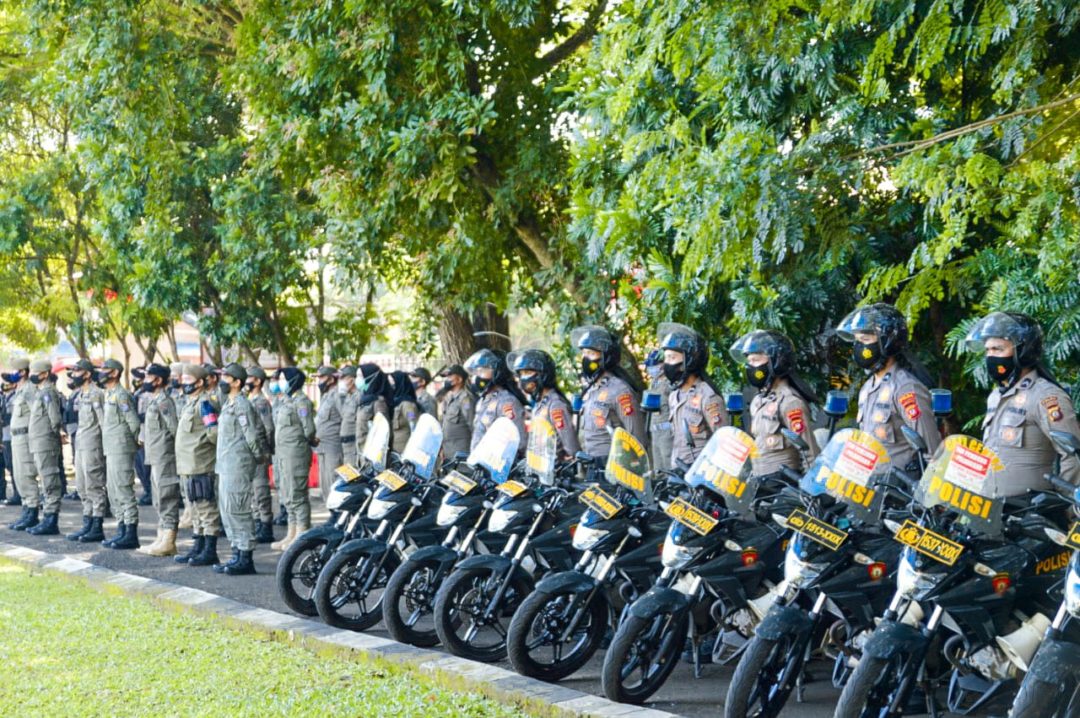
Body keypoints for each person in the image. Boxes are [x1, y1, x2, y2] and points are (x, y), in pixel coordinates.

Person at [964, 311, 1080, 493]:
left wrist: (1063, 505)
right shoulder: (995, 396)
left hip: (1030, 514)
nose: (990, 356)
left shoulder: (1046, 397)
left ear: (1023, 351)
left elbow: (1074, 455)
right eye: (987, 350)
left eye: (998, 349)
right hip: (991, 511)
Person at [836, 303, 940, 471]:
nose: (859, 347)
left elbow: (931, 452)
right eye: (857, 341)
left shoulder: (905, 388)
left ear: (887, 342)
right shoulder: (868, 387)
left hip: (898, 488)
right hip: (869, 485)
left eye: (865, 340)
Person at [730, 330, 821, 477]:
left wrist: (811, 488)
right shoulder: (759, 401)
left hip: (783, 485)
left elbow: (808, 452)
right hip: (761, 485)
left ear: (777, 361)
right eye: (749, 362)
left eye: (756, 360)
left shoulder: (790, 402)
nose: (750, 367)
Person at [213, 363, 265, 575]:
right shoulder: (229, 403)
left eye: (226, 377)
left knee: (239, 508)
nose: (222, 380)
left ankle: (245, 556)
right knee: (227, 510)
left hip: (238, 464)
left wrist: (258, 457)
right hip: (226, 464)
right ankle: (236, 553)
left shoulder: (242, 405)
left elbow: (251, 435)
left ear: (237, 382)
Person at [572, 325, 645, 463]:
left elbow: (636, 437)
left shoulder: (619, 390)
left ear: (606, 357)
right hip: (591, 464)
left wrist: (632, 467)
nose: (585, 359)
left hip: (613, 465)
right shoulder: (591, 390)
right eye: (584, 354)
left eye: (591, 354)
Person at [659, 323, 727, 469]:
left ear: (689, 360)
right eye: (666, 358)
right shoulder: (674, 396)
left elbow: (723, 443)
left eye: (672, 358)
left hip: (700, 473)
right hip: (677, 470)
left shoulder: (708, 396)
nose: (667, 364)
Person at [173, 363, 221, 566]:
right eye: (182, 379)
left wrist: (204, 450)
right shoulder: (189, 403)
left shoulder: (205, 403)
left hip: (200, 463)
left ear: (200, 382)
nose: (184, 383)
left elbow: (214, 432)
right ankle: (198, 546)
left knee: (206, 508)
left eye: (188, 380)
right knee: (194, 509)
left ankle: (210, 550)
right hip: (187, 464)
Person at [138, 363, 180, 556]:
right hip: (154, 455)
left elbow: (174, 429)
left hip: (165, 456)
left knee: (166, 496)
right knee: (158, 497)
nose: (145, 380)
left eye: (148, 377)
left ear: (158, 380)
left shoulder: (164, 402)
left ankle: (169, 540)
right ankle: (161, 536)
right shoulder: (153, 400)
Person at [271, 367, 316, 552]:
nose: (280, 382)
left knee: (297, 494)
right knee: (287, 494)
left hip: (295, 453)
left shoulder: (302, 402)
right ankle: (291, 533)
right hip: (282, 454)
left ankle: (302, 533)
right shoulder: (285, 401)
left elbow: (309, 430)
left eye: (283, 378)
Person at [99, 359, 142, 549]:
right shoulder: (109, 395)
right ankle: (122, 529)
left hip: (121, 447)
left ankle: (130, 533)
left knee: (124, 489)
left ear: (115, 373)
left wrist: (132, 443)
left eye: (105, 370)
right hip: (112, 447)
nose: (102, 373)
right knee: (114, 489)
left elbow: (133, 422)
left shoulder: (121, 396)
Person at [65, 360, 107, 542]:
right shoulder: (81, 395)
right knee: (81, 486)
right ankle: (87, 522)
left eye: (77, 371)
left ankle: (97, 526)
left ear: (88, 374)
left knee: (94, 485)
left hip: (93, 444)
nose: (74, 374)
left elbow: (104, 423)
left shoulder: (97, 394)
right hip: (81, 444)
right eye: (73, 371)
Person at [510, 350, 580, 458]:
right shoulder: (539, 403)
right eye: (522, 374)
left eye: (528, 372)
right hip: (541, 467)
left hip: (556, 468)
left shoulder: (555, 404)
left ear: (543, 373)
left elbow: (571, 446)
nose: (524, 378)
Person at [25, 360, 63, 535]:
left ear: (45, 374)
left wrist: (54, 436)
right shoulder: (40, 392)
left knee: (50, 482)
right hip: (38, 443)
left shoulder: (48, 393)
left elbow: (54, 418)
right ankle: (46, 518)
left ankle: (51, 520)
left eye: (36, 372)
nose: (32, 374)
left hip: (46, 443)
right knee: (45, 481)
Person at [464, 349, 526, 451]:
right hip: (479, 464)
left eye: (482, 370)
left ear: (498, 372)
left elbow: (519, 442)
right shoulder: (482, 401)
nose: (476, 376)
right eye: (475, 372)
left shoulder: (507, 402)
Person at [6, 358, 39, 530]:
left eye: (15, 371)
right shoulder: (18, 390)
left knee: (26, 474)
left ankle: (32, 512)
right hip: (16, 438)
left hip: (26, 437)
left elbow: (37, 413)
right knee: (18, 475)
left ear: (23, 372)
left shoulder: (29, 389)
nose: (12, 374)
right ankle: (26, 510)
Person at [245, 366, 275, 543]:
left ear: (257, 381)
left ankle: (265, 523)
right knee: (253, 490)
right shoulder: (249, 400)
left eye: (249, 377)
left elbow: (268, 427)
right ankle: (257, 520)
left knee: (260, 488)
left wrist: (267, 449)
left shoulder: (261, 402)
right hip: (250, 450)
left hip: (259, 449)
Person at [313, 365, 342, 503]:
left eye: (322, 377)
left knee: (333, 483)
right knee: (324, 485)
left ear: (331, 379)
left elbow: (346, 419)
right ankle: (331, 515)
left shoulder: (338, 396)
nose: (319, 381)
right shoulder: (326, 396)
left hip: (333, 448)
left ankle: (337, 517)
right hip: (322, 447)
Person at [353, 363, 392, 462]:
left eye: (360, 376)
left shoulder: (378, 402)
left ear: (370, 378)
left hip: (373, 457)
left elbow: (383, 431)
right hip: (362, 453)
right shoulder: (364, 400)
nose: (357, 380)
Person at [643, 349, 674, 472]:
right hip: (654, 431)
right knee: (658, 469)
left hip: (667, 432)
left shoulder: (669, 384)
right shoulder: (654, 383)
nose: (652, 368)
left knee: (668, 466)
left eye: (655, 365)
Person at [436, 365, 474, 459]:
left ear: (459, 379)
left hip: (462, 452)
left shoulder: (465, 399)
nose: (447, 380)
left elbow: (473, 425)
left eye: (450, 376)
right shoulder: (448, 399)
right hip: (448, 452)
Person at [389, 370, 421, 452]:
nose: (390, 385)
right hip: (393, 451)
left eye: (392, 382)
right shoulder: (394, 403)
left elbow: (413, 423)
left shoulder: (407, 404)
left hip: (404, 451)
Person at [0, 378, 18, 506]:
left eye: (8, 383)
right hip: (5, 435)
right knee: (8, 465)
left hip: (11, 435)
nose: (5, 385)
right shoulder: (6, 398)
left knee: (13, 466)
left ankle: (19, 494)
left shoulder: (15, 397)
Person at [337, 366, 359, 468]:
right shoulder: (348, 397)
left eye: (343, 378)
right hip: (345, 447)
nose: (340, 382)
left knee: (353, 479)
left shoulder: (359, 397)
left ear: (352, 379)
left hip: (354, 448)